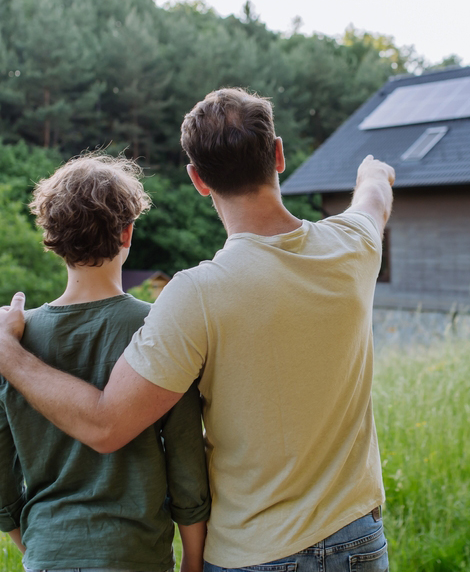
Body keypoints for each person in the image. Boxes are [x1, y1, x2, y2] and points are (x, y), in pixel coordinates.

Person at [0, 89, 395, 571]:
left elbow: (105, 425)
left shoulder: (194, 295)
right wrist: (372, 172)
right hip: (358, 537)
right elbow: (374, 202)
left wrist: (11, 355)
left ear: (198, 180)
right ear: (278, 154)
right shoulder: (353, 244)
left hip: (254, 553)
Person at [0, 154, 210, 572]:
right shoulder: (155, 326)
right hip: (136, 554)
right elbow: (186, 456)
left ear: (50, 236)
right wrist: (193, 559)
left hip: (47, 552)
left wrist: (40, 543)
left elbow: (1, 460)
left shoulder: (14, 339)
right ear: (127, 233)